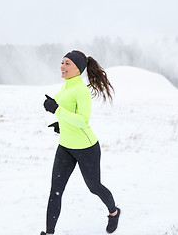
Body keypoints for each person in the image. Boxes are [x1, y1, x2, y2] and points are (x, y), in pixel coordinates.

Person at [41, 50, 120, 235]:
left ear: (78, 68)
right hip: (65, 146)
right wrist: (60, 124)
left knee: (94, 187)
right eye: (62, 62)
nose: (62, 66)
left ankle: (114, 212)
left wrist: (57, 110)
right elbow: (69, 114)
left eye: (67, 63)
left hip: (86, 148)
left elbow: (83, 120)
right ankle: (49, 233)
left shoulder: (81, 90)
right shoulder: (66, 86)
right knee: (56, 191)